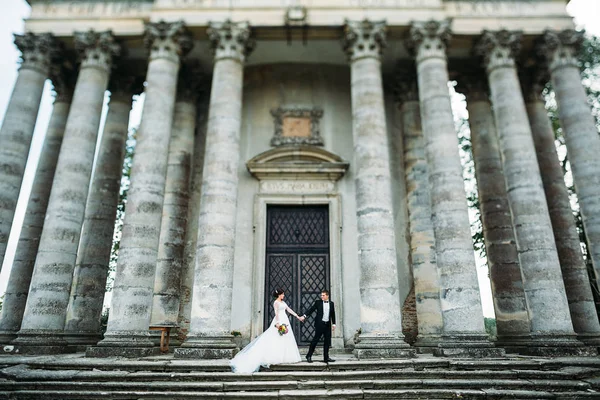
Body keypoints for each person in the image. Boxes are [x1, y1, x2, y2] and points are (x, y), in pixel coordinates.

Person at [230, 289, 304, 373]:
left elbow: (288, 309)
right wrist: (278, 323)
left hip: (285, 319)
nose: (283, 295)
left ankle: (285, 356)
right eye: (282, 294)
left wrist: (297, 316)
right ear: (279, 295)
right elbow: (276, 313)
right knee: (277, 337)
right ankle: (276, 356)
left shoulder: (283, 303)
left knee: (286, 336)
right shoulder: (276, 303)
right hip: (279, 320)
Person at [302, 289, 336, 363]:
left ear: (327, 296)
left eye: (323, 295)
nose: (322, 296)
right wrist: (304, 316)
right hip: (320, 324)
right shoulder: (318, 303)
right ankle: (309, 356)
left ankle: (326, 358)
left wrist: (334, 324)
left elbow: (333, 314)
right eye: (321, 295)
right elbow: (311, 310)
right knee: (315, 340)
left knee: (327, 342)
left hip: (327, 325)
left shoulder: (331, 303)